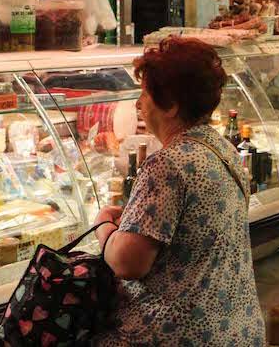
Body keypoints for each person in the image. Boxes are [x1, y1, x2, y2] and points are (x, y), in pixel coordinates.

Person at [92, 37, 265, 346]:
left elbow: (127, 263)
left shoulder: (168, 165)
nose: (138, 104)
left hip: (180, 335)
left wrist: (104, 226)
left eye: (145, 94)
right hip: (237, 330)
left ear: (171, 106)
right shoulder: (221, 147)